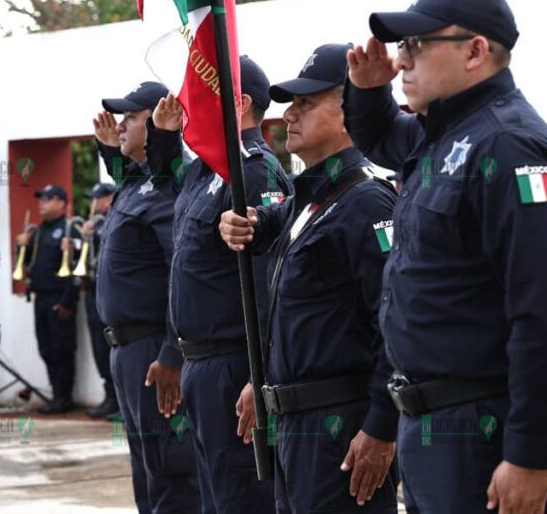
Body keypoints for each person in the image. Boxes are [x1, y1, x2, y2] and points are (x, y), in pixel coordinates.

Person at [344, 0, 547, 512]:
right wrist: (366, 91)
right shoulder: (446, 134)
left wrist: (530, 452)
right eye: (402, 46)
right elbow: (382, 139)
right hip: (434, 430)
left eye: (416, 45)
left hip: (485, 429)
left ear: (475, 50)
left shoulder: (506, 143)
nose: (403, 61)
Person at [218, 44, 399, 513]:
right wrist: (265, 382)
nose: (289, 115)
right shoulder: (309, 201)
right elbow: (288, 305)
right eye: (290, 104)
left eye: (306, 103)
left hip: (340, 427)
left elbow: (395, 326)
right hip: (294, 425)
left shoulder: (368, 204)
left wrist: (381, 427)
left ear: (348, 114)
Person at [146, 56, 291, 513]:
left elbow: (272, 281)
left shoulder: (255, 170)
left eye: (204, 94)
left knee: (243, 497)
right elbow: (160, 182)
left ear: (241, 103)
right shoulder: (204, 170)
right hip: (201, 366)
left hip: (234, 366)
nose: (191, 103)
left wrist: (260, 373)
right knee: (214, 498)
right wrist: (165, 137)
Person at [93, 81, 201, 513]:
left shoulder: (169, 186)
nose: (120, 125)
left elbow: (182, 274)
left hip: (153, 349)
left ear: (160, 120)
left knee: (173, 470)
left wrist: (172, 353)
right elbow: (133, 178)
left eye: (131, 118)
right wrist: (109, 150)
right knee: (146, 469)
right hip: (126, 349)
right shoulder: (138, 182)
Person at [15, 183, 82, 414]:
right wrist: (20, 248)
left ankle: (64, 397)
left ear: (62, 204)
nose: (42, 203)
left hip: (59, 298)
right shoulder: (39, 231)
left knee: (62, 349)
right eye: (41, 198)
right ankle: (56, 394)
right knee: (46, 349)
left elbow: (77, 269)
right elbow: (25, 266)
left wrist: (67, 302)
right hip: (41, 298)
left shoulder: (69, 229)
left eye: (49, 198)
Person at [81, 181, 120, 420]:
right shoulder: (92, 225)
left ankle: (117, 400)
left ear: (107, 199)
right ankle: (109, 396)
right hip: (92, 290)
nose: (92, 203)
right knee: (98, 345)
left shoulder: (111, 220)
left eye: (96, 198)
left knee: (109, 345)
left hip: (110, 292)